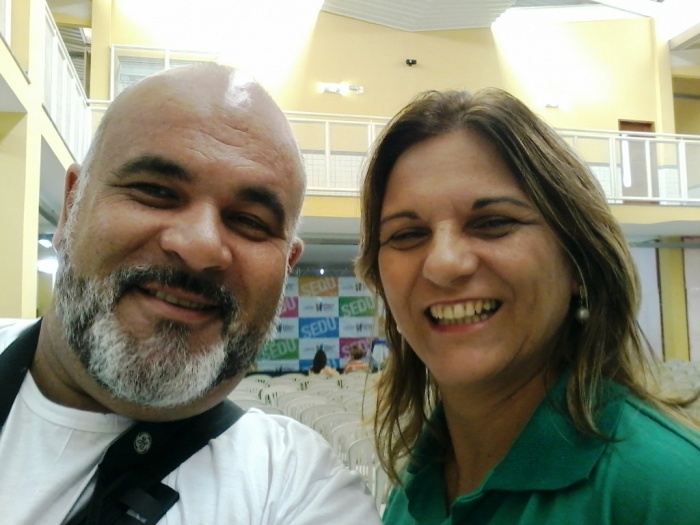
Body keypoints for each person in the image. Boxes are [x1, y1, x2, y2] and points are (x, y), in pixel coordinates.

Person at [0, 64, 381, 524]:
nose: (201, 246)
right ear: (70, 206)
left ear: (287, 267)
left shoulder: (297, 488)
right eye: (155, 191)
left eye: (250, 222)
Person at [355, 87, 700, 524]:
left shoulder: (669, 490)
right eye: (407, 234)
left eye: (492, 223)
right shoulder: (415, 485)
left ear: (578, 261)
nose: (443, 264)